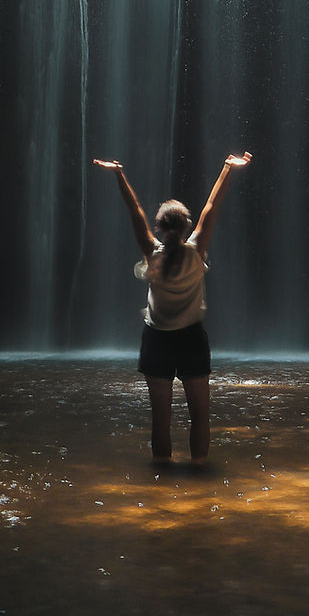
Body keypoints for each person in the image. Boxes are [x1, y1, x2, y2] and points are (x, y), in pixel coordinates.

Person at [93, 152, 252, 464]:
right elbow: (212, 207)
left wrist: (119, 175)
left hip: (157, 340)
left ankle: (162, 482)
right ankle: (199, 473)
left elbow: (134, 211)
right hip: (192, 338)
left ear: (159, 227)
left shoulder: (153, 255)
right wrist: (227, 169)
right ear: (187, 226)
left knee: (160, 419)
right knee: (201, 416)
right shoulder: (196, 252)